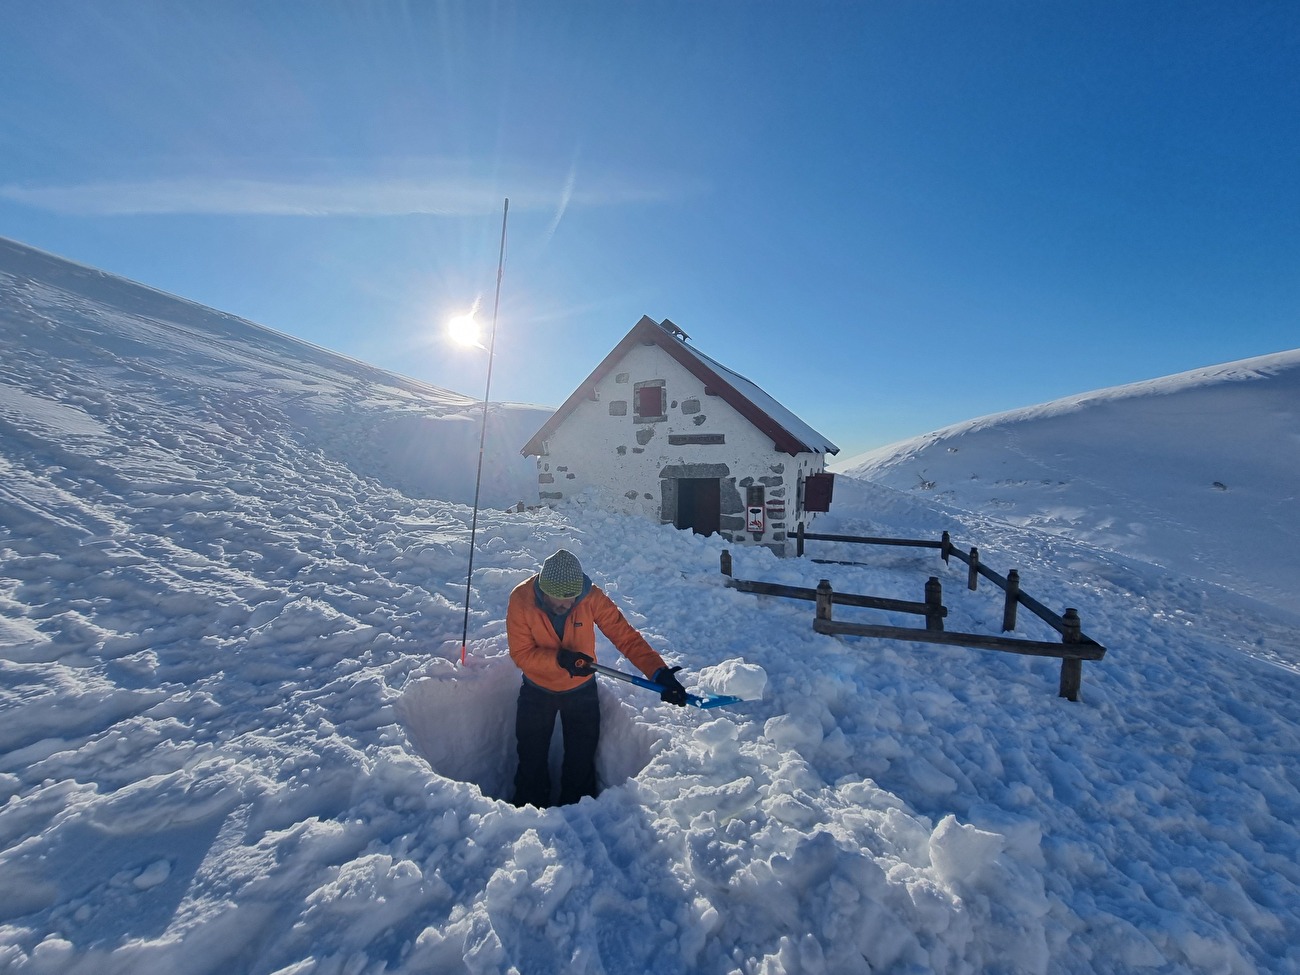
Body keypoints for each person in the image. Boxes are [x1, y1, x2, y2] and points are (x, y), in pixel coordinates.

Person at [506, 548, 687, 807]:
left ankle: (578, 813)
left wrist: (659, 673)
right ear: (542, 591)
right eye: (555, 601)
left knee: (580, 761)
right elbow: (521, 655)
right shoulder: (521, 599)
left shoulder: (591, 598)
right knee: (531, 758)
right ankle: (528, 810)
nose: (563, 607)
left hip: (581, 691)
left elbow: (625, 636)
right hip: (537, 691)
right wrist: (559, 660)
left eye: (569, 600)